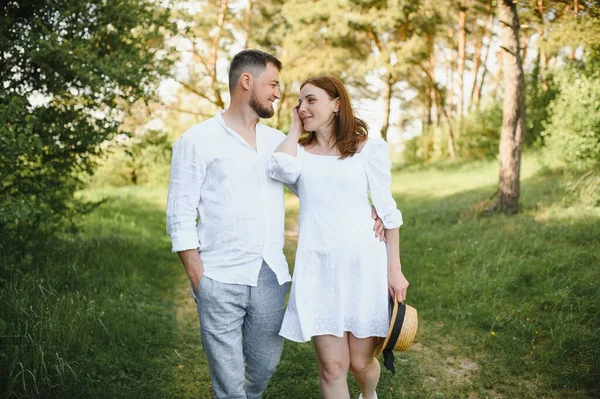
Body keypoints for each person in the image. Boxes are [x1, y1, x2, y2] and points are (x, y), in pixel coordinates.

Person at [166, 50, 385, 399]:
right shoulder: (196, 141)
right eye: (273, 84)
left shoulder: (276, 143)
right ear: (247, 81)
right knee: (229, 380)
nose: (278, 95)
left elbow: (322, 190)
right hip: (219, 277)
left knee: (263, 367)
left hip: (269, 276)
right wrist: (199, 279)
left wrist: (370, 210)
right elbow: (179, 216)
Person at [268, 75, 410, 399]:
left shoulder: (366, 149)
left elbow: (388, 213)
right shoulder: (299, 154)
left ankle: (368, 395)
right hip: (318, 269)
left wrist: (394, 269)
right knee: (333, 367)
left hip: (364, 268)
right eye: (299, 102)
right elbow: (279, 168)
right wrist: (294, 127)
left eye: (311, 100)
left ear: (336, 104)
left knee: (360, 363)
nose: (303, 107)